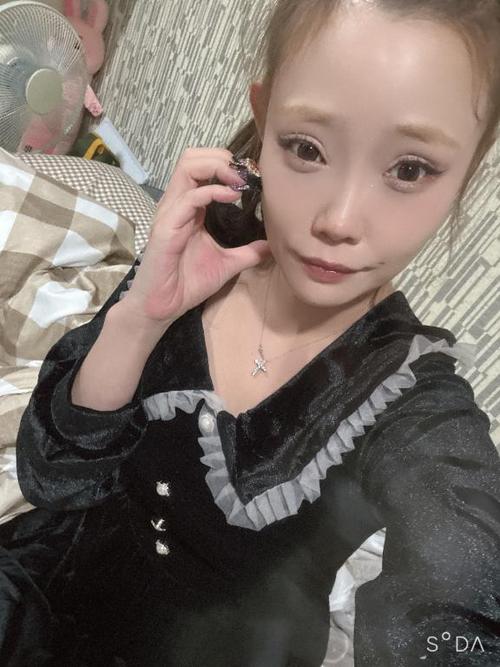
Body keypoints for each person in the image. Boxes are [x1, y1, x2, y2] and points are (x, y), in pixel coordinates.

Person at [0, 0, 499, 665]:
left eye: (409, 169)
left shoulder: (418, 406)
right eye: (307, 148)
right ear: (264, 119)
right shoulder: (205, 252)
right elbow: (53, 477)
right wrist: (143, 313)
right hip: (53, 578)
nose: (340, 219)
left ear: (468, 168)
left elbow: (463, 605)